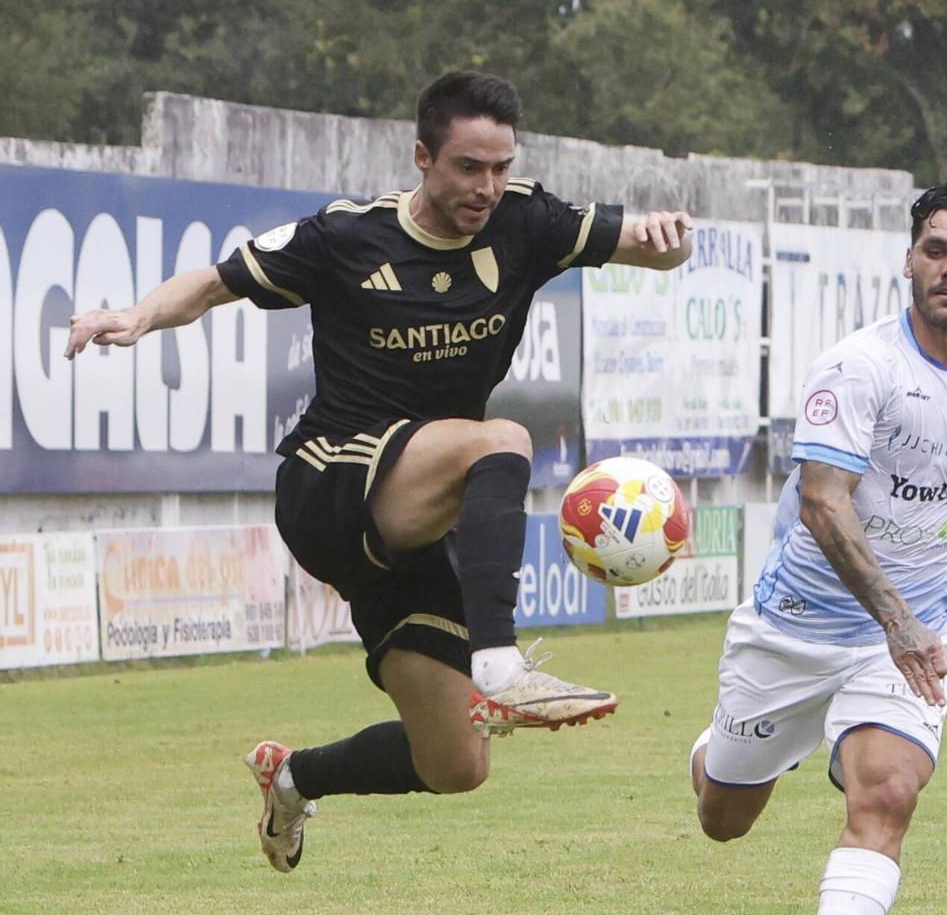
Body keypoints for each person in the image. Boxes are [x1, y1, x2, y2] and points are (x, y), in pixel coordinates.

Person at [66, 71, 692, 873]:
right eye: (468, 167)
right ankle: (501, 665)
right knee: (500, 438)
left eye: (501, 167)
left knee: (456, 764)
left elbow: (651, 245)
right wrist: (135, 315)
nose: (487, 187)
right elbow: (214, 284)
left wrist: (672, 239)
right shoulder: (346, 236)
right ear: (423, 157)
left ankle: (293, 778)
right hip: (331, 483)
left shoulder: (526, 220)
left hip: (417, 521)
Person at [690, 177, 947, 915]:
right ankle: (720, 747)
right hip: (796, 630)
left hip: (908, 639)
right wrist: (895, 618)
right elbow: (823, 502)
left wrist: (914, 625)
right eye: (936, 250)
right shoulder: (858, 368)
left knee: (890, 790)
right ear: (909, 260)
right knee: (723, 818)